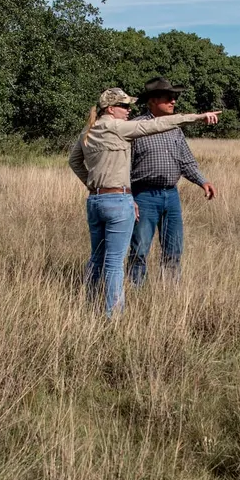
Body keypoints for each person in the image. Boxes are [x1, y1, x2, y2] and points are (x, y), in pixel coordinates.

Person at [68, 87, 219, 315]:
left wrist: (92, 184)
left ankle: (90, 305)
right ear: (110, 108)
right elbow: (156, 125)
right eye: (124, 106)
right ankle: (113, 316)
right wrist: (197, 117)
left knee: (97, 258)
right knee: (115, 262)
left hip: (96, 200)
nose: (129, 110)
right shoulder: (119, 128)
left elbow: (74, 161)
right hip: (119, 201)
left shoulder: (88, 131)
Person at [127, 77, 216, 286]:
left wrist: (203, 181)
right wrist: (128, 198)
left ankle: (170, 294)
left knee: (174, 249)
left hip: (171, 195)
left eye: (174, 97)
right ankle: (136, 290)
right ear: (152, 100)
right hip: (143, 195)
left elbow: (186, 161)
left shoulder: (175, 129)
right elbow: (122, 168)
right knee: (139, 249)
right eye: (168, 98)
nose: (173, 101)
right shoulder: (134, 128)